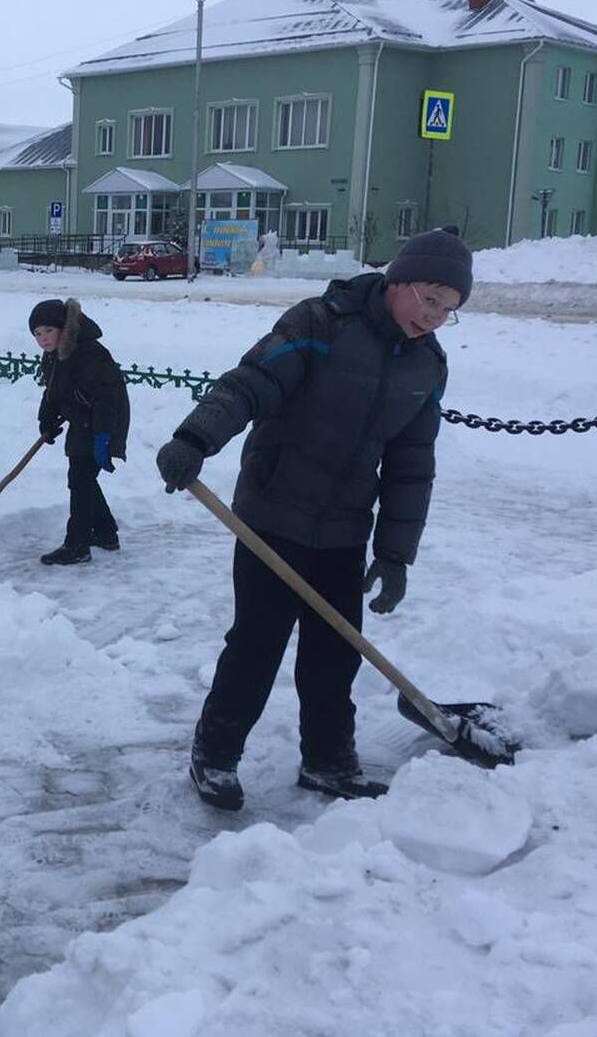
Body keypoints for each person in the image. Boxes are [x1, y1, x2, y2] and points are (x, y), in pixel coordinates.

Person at [155, 227, 471, 807]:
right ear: (397, 281)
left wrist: (396, 555)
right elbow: (251, 384)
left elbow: (411, 465)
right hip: (272, 514)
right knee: (257, 643)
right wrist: (194, 438)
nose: (434, 317)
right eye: (429, 299)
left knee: (335, 652)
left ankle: (328, 761)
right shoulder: (321, 324)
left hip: (346, 527)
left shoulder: (425, 367)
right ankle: (215, 754)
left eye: (449, 310)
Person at [31, 298, 130, 565]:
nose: (43, 338)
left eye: (48, 331)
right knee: (82, 478)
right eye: (37, 334)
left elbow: (107, 399)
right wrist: (47, 421)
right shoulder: (54, 355)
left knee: (80, 479)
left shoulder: (88, 353)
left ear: (63, 327)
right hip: (82, 419)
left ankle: (77, 546)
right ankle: (107, 534)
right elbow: (53, 391)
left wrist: (103, 438)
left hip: (104, 419)